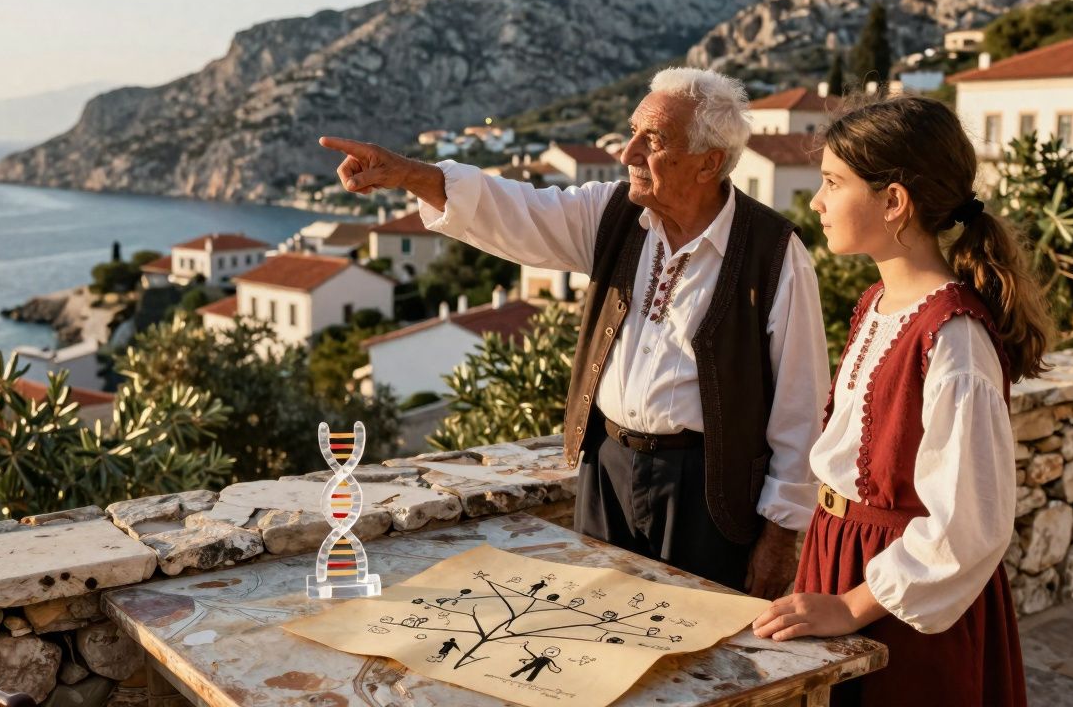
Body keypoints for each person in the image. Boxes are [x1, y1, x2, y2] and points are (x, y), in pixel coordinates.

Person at [319, 67, 829, 597]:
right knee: (598, 626)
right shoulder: (612, 214)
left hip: (707, 492)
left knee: (697, 647)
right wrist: (409, 175)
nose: (627, 151)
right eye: (631, 131)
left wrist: (779, 539)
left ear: (709, 163)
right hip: (606, 471)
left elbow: (800, 409)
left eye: (651, 140)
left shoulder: (775, 255)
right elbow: (515, 211)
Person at [751, 95, 1050, 706]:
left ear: (894, 201)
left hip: (900, 604)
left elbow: (969, 523)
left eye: (833, 183)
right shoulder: (877, 304)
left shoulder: (955, 339)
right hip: (838, 561)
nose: (817, 202)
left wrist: (851, 605)